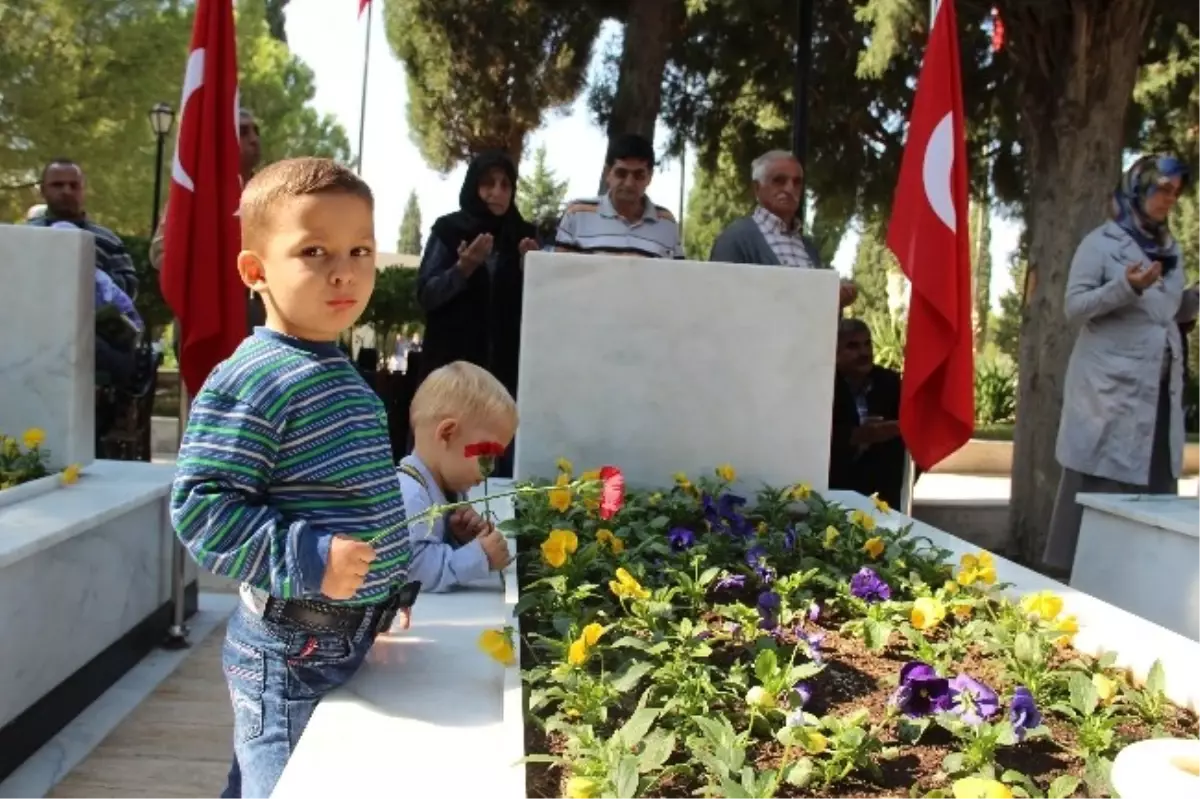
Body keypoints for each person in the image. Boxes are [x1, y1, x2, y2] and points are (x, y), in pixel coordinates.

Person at [169, 158, 417, 799]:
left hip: (341, 640)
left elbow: (354, 492)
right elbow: (202, 505)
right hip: (287, 658)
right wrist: (311, 557)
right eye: (314, 250)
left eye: (360, 249)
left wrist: (391, 580)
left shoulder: (340, 372)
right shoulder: (254, 377)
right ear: (255, 272)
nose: (345, 270)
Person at [1045, 154, 1195, 576]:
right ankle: (1077, 581)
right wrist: (1125, 286)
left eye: (1175, 192)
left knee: (1154, 483)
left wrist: (1194, 299)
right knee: (1099, 484)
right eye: (1162, 189)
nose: (1170, 199)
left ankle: (1143, 583)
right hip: (1108, 393)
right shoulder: (1100, 243)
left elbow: (1164, 312)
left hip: (1158, 389)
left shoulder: (1171, 248)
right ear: (1138, 187)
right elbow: (1074, 307)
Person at [416, 151, 537, 476]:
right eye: (487, 184)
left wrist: (534, 271)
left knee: (499, 470)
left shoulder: (524, 236)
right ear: (473, 187)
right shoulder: (449, 230)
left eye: (505, 185)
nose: (497, 193)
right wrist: (464, 267)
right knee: (447, 466)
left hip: (506, 378)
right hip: (454, 375)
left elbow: (543, 312)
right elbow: (427, 295)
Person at [398, 361, 516, 592]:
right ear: (447, 434)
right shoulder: (411, 496)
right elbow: (411, 569)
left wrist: (461, 539)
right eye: (485, 456)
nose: (490, 469)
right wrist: (478, 557)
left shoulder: (446, 490)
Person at [151, 108, 265, 333]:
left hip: (261, 315)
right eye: (243, 132)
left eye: (255, 131)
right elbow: (161, 251)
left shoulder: (273, 192)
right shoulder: (194, 196)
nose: (254, 139)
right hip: (205, 317)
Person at [710, 150, 857, 309]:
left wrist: (834, 299)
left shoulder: (808, 248)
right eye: (779, 180)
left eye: (797, 182)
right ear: (757, 188)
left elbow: (811, 311)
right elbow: (721, 306)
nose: (789, 188)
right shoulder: (735, 239)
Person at [554, 133, 683, 258]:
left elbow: (677, 276)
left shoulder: (667, 222)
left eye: (638, 175)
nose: (629, 183)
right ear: (607, 173)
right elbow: (559, 272)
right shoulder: (577, 214)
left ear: (649, 177)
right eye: (621, 173)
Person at [27, 159, 138, 298]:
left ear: (83, 189)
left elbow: (130, 289)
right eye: (57, 185)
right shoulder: (24, 236)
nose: (67, 191)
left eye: (74, 185)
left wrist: (93, 280)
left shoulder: (108, 240)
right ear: (43, 190)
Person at [828, 318, 908, 508]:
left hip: (883, 495)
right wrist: (857, 436)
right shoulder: (826, 385)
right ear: (835, 351)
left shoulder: (890, 383)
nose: (864, 353)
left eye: (867, 344)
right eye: (853, 346)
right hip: (836, 492)